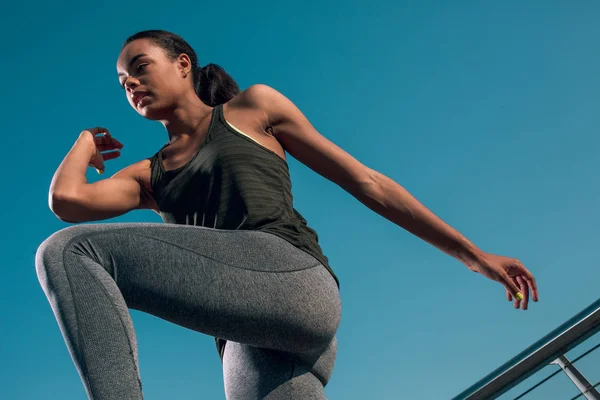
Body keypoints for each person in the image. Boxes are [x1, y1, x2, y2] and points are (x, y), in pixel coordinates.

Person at [35, 29, 539, 400]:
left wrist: (473, 256)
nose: (132, 85)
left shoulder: (251, 110)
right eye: (124, 82)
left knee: (72, 251)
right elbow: (67, 202)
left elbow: (367, 182)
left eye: (140, 67)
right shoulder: (150, 175)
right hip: (247, 340)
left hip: (290, 281)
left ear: (183, 63)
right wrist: (83, 143)